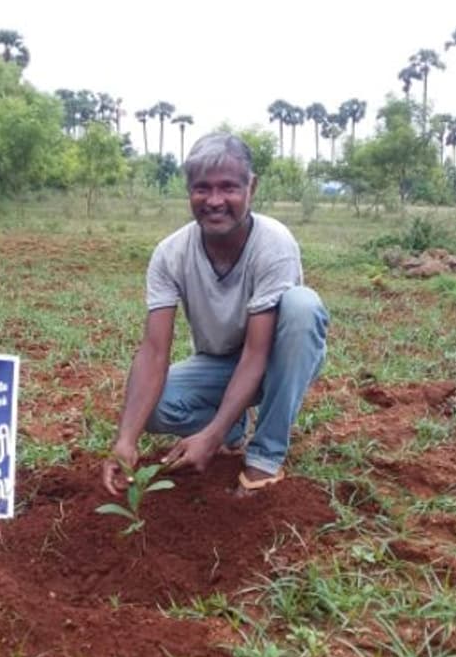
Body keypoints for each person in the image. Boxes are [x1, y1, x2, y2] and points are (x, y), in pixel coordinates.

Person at [101, 132, 329, 498]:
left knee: (303, 305)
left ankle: (265, 456)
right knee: (153, 408)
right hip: (218, 363)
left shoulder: (274, 245)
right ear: (188, 191)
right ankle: (232, 431)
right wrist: (125, 440)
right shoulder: (170, 254)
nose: (215, 201)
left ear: (251, 187)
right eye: (202, 188)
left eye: (228, 187)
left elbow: (256, 354)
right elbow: (154, 351)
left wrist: (211, 435)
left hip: (276, 360)